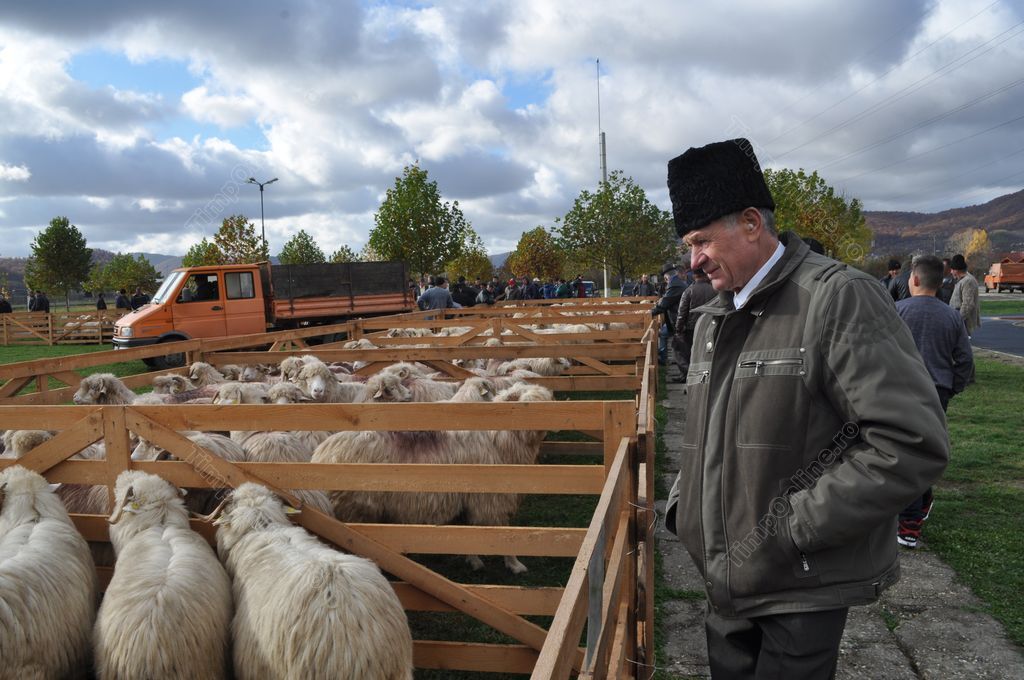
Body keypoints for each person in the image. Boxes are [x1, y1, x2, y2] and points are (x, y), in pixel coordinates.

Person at [663, 138, 948, 680]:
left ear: (751, 223)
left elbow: (908, 441)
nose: (693, 261)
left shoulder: (836, 298)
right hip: (721, 580)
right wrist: (686, 508)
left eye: (701, 241)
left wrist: (789, 530)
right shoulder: (711, 321)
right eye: (688, 244)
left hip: (796, 589)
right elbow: (703, 433)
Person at [895, 254, 973, 549]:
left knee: (902, 454)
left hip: (899, 391)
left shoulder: (896, 310)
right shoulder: (952, 316)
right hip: (936, 391)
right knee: (923, 450)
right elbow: (965, 360)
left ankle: (909, 524)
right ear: (942, 284)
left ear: (913, 279)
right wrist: (953, 387)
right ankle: (922, 499)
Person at [671, 267, 715, 381]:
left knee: (682, 350)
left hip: (692, 328)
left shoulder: (689, 291)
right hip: (711, 326)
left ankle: (687, 374)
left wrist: (678, 329)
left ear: (694, 276)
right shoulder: (714, 289)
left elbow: (682, 312)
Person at [650, 263, 687, 364]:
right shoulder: (677, 282)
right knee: (678, 345)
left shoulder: (674, 284)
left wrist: (650, 313)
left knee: (679, 348)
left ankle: (683, 372)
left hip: (678, 319)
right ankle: (681, 370)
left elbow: (665, 303)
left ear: (667, 276)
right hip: (679, 318)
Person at [949, 254, 981, 336]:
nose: (951, 272)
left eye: (952, 269)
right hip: (960, 320)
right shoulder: (962, 280)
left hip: (963, 322)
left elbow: (968, 304)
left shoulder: (968, 281)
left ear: (957, 270)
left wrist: (958, 321)